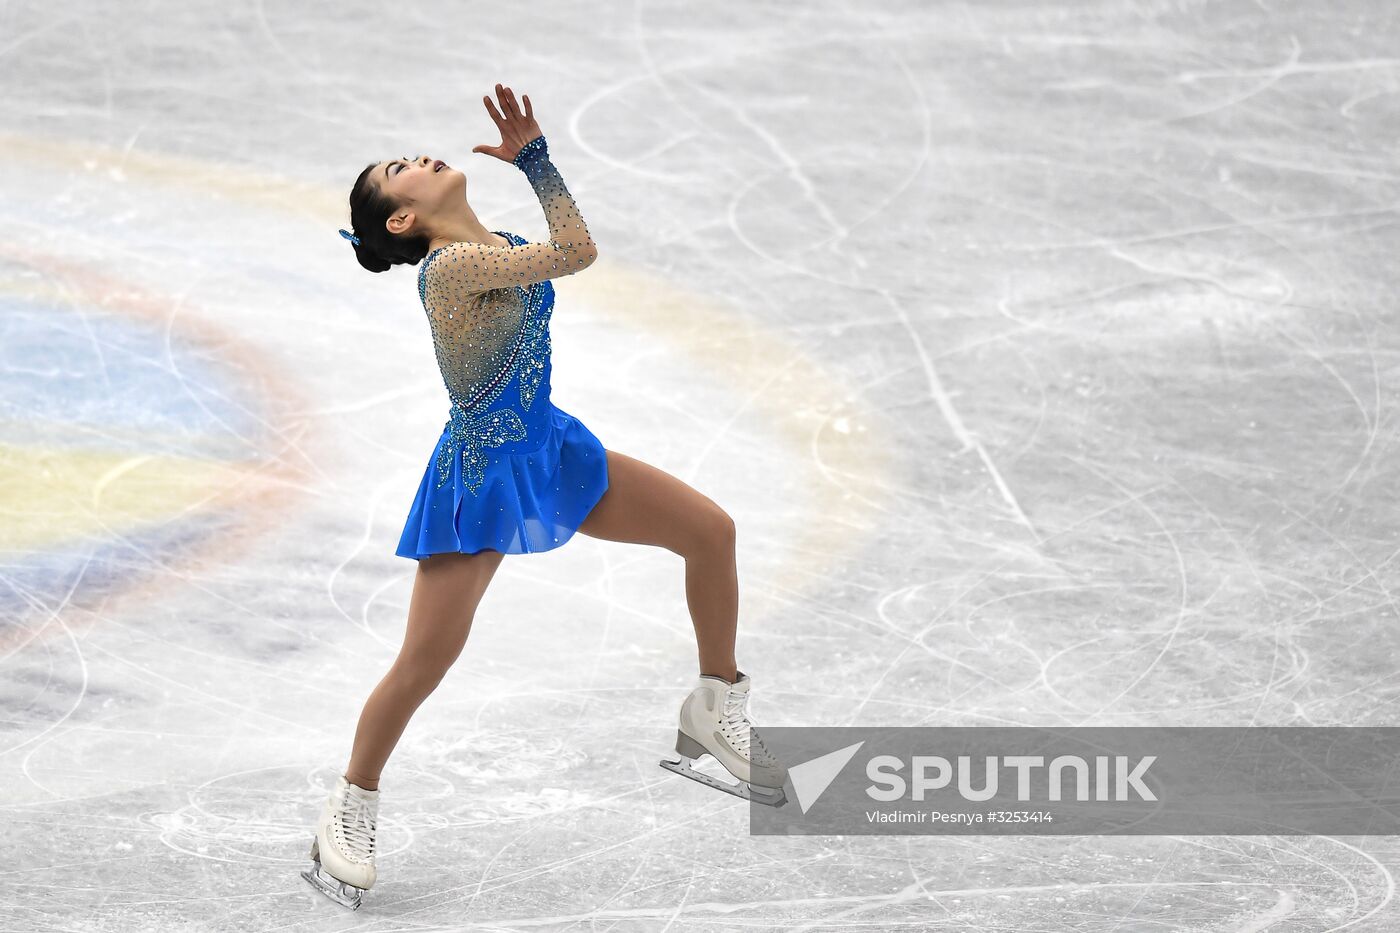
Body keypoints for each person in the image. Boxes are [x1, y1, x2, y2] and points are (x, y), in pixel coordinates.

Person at [302, 84, 787, 911]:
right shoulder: (453, 268)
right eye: (398, 169)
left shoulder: (502, 245)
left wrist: (534, 164)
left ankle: (716, 702)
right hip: (482, 476)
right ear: (403, 219)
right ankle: (349, 805)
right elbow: (578, 250)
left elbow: (560, 251)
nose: (419, 157)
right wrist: (535, 160)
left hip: (552, 450)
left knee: (711, 531)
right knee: (426, 660)